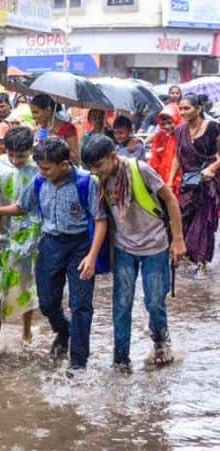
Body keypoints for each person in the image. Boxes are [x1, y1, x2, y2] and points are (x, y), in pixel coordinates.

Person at [0, 137, 107, 372]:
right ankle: (63, 331)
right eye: (40, 168)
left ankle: (78, 363)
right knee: (47, 302)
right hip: (50, 244)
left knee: (80, 304)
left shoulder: (86, 182)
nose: (41, 173)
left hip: (80, 246)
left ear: (64, 165)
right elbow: (21, 207)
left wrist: (92, 257)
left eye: (46, 168)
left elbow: (100, 220)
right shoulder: (39, 181)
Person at [81, 135, 187, 373]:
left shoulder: (141, 170)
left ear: (112, 156)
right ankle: (121, 359)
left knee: (154, 301)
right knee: (121, 304)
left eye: (98, 166)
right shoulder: (98, 180)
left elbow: (170, 200)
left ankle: (161, 342)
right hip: (123, 248)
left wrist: (178, 240)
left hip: (155, 245)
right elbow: (101, 218)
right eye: (91, 168)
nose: (95, 172)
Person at [0, 126, 40, 361]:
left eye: (21, 156)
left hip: (31, 236)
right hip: (1, 235)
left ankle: (26, 332)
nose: (16, 161)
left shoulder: (39, 170)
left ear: (31, 151)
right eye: (12, 155)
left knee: (27, 284)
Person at [169, 95, 220, 278]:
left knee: (202, 223)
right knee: (182, 219)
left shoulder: (213, 127)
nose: (183, 112)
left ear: (198, 109)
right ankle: (184, 259)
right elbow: (177, 156)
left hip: (208, 184)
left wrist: (212, 168)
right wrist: (169, 181)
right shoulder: (180, 130)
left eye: (187, 108)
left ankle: (201, 264)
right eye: (181, 109)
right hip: (188, 183)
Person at [30, 94, 79, 164]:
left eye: (36, 112)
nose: (33, 116)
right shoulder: (36, 129)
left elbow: (75, 157)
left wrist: (56, 144)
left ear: (48, 110)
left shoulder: (67, 128)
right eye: (32, 112)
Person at [149, 103, 182, 193]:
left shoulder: (184, 135)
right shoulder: (160, 136)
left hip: (179, 182)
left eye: (170, 123)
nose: (167, 126)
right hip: (163, 181)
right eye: (163, 124)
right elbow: (154, 160)